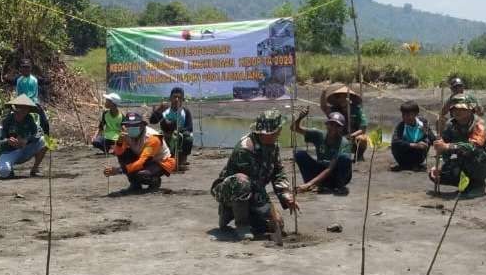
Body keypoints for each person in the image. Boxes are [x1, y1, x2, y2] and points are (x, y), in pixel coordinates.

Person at [211, 109, 299, 239]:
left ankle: (241, 214)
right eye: (278, 129)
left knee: (274, 225)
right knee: (242, 182)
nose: (280, 131)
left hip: (253, 193)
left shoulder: (273, 146)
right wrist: (271, 210)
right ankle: (240, 223)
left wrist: (286, 195)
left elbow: (278, 172)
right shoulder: (245, 149)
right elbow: (255, 184)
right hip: (230, 190)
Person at [430, 95, 486, 198]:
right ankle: (467, 186)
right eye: (454, 109)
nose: (457, 111)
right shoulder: (451, 125)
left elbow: (473, 147)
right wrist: (439, 165)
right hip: (463, 158)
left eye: (462, 109)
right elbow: (443, 147)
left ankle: (478, 186)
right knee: (437, 174)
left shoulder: (479, 125)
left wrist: (448, 146)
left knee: (474, 154)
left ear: (470, 110)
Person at [104, 112, 176, 193]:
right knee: (125, 155)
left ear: (142, 125)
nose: (131, 127)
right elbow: (118, 153)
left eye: (135, 125)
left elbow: (142, 162)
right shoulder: (126, 135)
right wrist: (119, 142)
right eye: (129, 125)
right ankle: (135, 184)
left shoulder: (152, 138)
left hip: (161, 162)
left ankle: (155, 181)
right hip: (143, 158)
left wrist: (119, 170)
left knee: (142, 175)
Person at [292, 109, 353, 195]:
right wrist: (300, 118)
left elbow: (330, 168)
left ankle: (339, 187)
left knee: (345, 158)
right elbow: (294, 128)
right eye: (331, 124)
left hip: (336, 174)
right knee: (300, 154)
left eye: (338, 126)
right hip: (322, 169)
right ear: (327, 124)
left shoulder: (344, 143)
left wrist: (309, 184)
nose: (334, 128)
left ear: (342, 128)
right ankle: (313, 185)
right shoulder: (319, 135)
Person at [0, 94, 46, 178]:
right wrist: (8, 141)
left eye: (25, 108)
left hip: (24, 150)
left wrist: (27, 140)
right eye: (19, 107)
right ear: (14, 108)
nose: (22, 110)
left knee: (44, 140)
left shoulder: (29, 119)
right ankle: (9, 170)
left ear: (28, 110)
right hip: (9, 152)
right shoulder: (6, 121)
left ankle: (34, 169)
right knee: (4, 172)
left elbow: (38, 133)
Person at [321, 84, 369, 160]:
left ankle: (358, 156)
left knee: (362, 139)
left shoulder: (357, 110)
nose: (342, 99)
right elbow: (324, 108)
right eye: (339, 97)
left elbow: (363, 128)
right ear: (337, 99)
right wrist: (323, 92)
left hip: (352, 138)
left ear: (350, 98)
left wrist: (351, 136)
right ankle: (331, 155)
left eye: (345, 97)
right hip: (338, 138)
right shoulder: (335, 109)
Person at [150, 86, 195, 170]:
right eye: (175, 97)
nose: (177, 100)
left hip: (179, 135)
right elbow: (152, 121)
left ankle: (182, 161)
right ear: (170, 98)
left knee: (188, 137)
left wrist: (176, 131)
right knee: (154, 138)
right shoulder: (165, 110)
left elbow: (189, 128)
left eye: (179, 97)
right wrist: (158, 110)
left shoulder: (185, 111)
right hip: (165, 134)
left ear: (182, 99)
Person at [390, 100, 436, 172]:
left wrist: (427, 133)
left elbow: (432, 139)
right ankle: (404, 165)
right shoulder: (401, 126)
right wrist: (414, 145)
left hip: (418, 154)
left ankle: (417, 164)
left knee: (426, 141)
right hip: (404, 156)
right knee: (396, 145)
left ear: (415, 114)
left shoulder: (423, 123)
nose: (405, 117)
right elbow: (395, 141)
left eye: (408, 115)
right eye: (403, 115)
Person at [14, 58, 50, 135]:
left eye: (27, 67)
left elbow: (33, 94)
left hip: (33, 103)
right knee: (11, 118)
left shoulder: (34, 80)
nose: (25, 69)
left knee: (45, 122)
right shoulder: (19, 80)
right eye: (23, 67)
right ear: (20, 68)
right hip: (22, 103)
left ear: (30, 68)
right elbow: (18, 93)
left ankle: (47, 138)